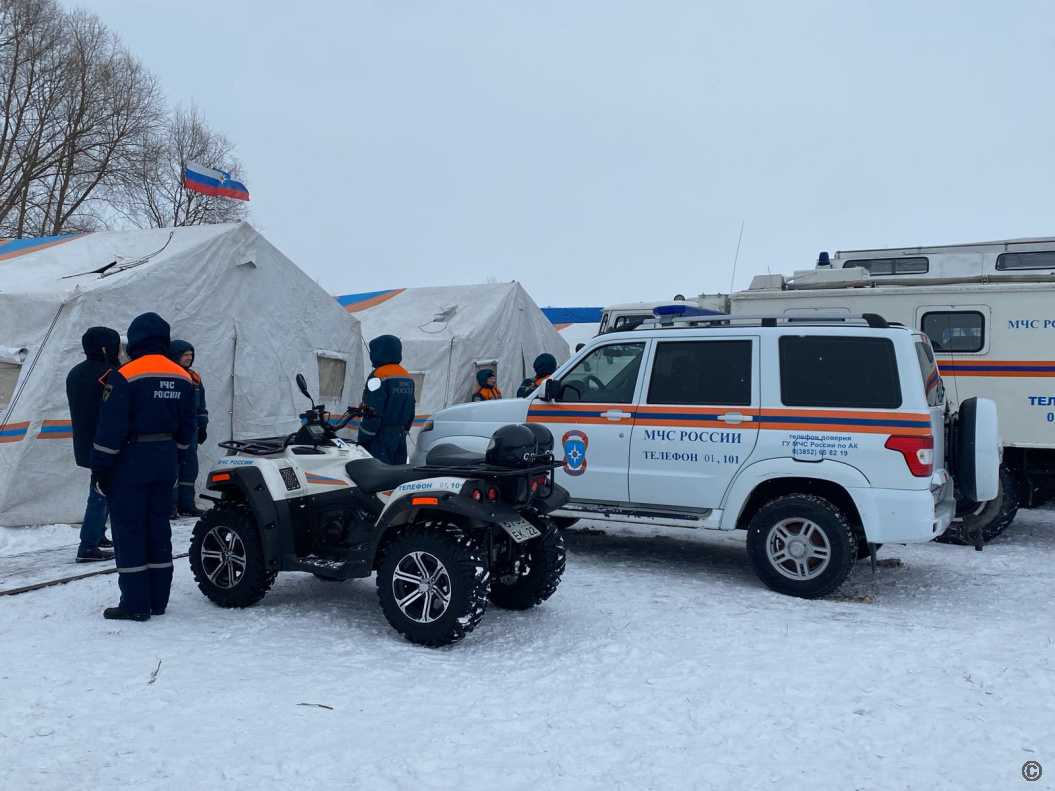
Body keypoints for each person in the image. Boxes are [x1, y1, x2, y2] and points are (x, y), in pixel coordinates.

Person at [90, 312, 196, 621]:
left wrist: (100, 467)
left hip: (130, 458)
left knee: (130, 530)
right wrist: (175, 456)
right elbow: (188, 426)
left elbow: (111, 427)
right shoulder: (183, 375)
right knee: (158, 529)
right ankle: (158, 600)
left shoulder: (125, 374)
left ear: (134, 340)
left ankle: (135, 604)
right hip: (165, 457)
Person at [66, 327, 120, 563]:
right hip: (105, 442)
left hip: (84, 440)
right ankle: (87, 545)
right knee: (99, 493)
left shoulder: (75, 372)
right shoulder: (111, 373)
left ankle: (98, 535)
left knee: (100, 488)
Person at [357, 334, 415, 464]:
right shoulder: (407, 376)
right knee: (397, 476)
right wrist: (403, 432)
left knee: (378, 478)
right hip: (400, 437)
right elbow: (411, 409)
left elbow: (373, 410)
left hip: (380, 438)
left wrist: (363, 438)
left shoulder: (378, 376)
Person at [167, 339, 209, 518]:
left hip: (190, 430)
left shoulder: (195, 377)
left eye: (191, 355)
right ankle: (170, 506)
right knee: (173, 468)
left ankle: (187, 504)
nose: (189, 358)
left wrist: (202, 426)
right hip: (174, 430)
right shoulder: (168, 374)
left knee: (190, 467)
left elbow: (201, 405)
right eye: (185, 355)